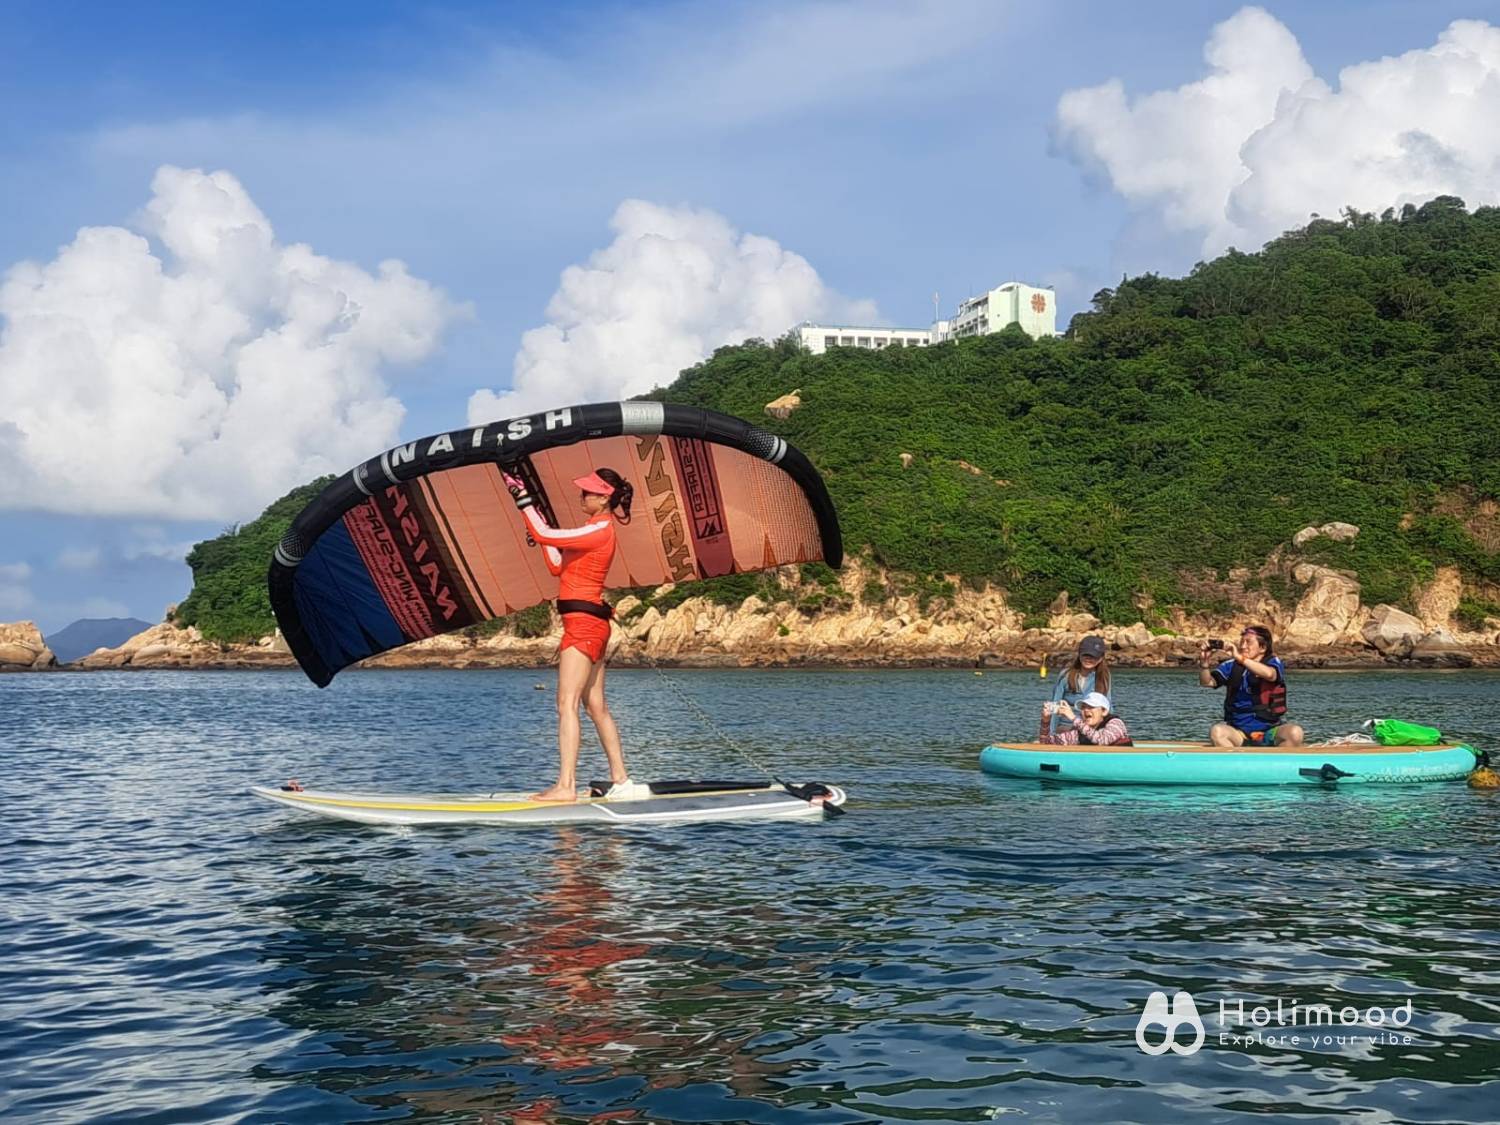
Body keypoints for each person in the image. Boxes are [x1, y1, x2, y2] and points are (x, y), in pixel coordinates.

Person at [503, 466, 640, 802]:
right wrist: (538, 533)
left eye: (588, 492)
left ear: (604, 497)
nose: (582, 496)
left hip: (583, 627)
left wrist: (523, 499)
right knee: (595, 705)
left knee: (566, 703)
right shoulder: (591, 530)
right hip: (590, 625)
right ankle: (620, 779)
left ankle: (565, 786)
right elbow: (556, 561)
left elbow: (550, 535)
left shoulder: (600, 530)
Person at [1198, 625, 1305, 747]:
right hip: (1239, 733)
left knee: (1295, 733)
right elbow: (1207, 682)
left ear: (1263, 647)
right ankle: (1236, 762)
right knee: (1217, 732)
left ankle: (1277, 762)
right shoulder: (1231, 665)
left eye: (1248, 642)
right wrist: (1204, 664)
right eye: (1241, 642)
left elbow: (1270, 674)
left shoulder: (1273, 662)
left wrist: (1239, 657)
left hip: (1269, 731)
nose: (1243, 646)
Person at [1047, 635, 1112, 737]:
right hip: (1066, 728)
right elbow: (1055, 706)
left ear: (1101, 658)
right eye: (1085, 655)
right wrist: (1050, 734)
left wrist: (1110, 733)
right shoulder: (1065, 675)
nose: (1088, 659)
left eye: (1093, 656)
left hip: (1092, 729)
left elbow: (1108, 707)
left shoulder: (1104, 677)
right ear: (1079, 655)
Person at [1037, 691, 1132, 746]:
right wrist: (1045, 721)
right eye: (1083, 707)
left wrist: (1073, 717)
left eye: (1091, 707)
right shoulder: (1078, 733)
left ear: (1104, 711)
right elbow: (1046, 742)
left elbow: (1102, 740)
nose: (1086, 710)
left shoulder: (1116, 723)